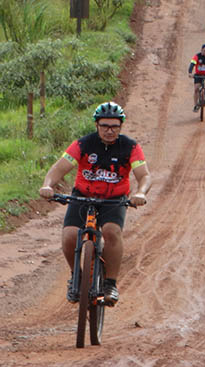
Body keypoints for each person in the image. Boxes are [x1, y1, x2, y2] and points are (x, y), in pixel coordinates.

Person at [38, 102, 151, 305]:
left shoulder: (130, 146)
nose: (109, 130)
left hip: (113, 199)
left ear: (121, 126)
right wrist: (47, 185)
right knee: (70, 235)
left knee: (111, 232)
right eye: (105, 125)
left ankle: (110, 284)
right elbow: (59, 168)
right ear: (96, 125)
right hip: (83, 195)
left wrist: (140, 192)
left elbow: (144, 175)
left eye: (114, 126)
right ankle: (76, 277)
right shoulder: (83, 144)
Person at [188, 44, 205, 112]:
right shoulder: (197, 56)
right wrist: (190, 72)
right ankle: (195, 105)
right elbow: (192, 64)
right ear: (201, 50)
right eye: (204, 51)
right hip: (198, 74)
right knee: (196, 89)